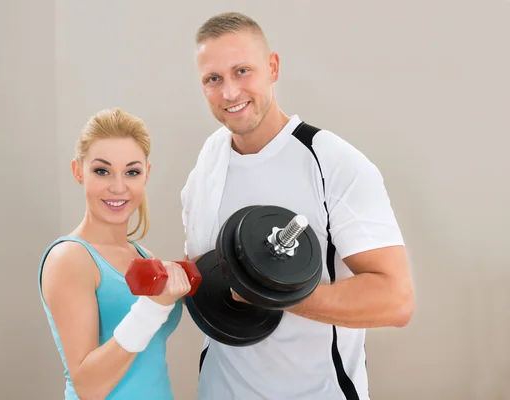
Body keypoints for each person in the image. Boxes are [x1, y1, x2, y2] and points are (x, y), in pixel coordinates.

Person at [180, 12, 415, 400]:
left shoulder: (333, 163)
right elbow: (208, 270)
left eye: (242, 71)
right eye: (213, 79)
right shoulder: (206, 162)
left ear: (272, 67)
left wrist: (268, 291)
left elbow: (396, 299)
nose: (230, 93)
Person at [38, 107, 191, 400]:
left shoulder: (144, 256)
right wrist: (154, 307)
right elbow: (88, 387)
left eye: (131, 172)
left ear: (146, 174)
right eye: (102, 171)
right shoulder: (69, 258)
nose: (118, 187)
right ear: (77, 171)